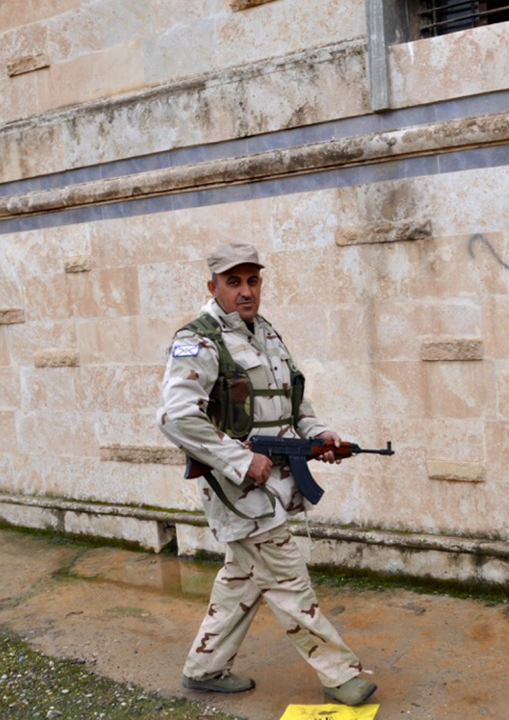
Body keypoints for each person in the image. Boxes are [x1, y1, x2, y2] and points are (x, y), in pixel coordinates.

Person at [156, 242, 377, 706]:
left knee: (241, 579)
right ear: (212, 286)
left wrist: (320, 437)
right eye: (233, 282)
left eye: (252, 280)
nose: (245, 291)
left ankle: (205, 668)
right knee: (289, 579)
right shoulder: (199, 340)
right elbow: (176, 416)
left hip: (274, 482)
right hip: (237, 488)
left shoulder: (267, 335)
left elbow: (296, 405)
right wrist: (238, 460)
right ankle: (342, 675)